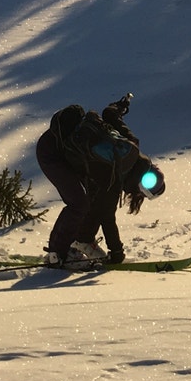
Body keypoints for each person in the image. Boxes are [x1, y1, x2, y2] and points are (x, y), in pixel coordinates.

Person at [35, 93, 166, 266]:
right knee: (78, 204)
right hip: (52, 154)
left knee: (93, 201)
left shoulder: (131, 145)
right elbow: (107, 218)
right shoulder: (114, 178)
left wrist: (120, 106)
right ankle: (57, 254)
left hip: (60, 145)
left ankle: (82, 241)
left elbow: (109, 114)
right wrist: (117, 253)